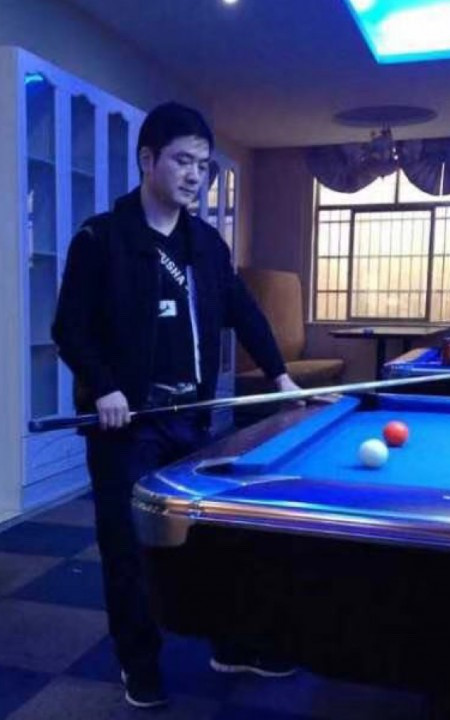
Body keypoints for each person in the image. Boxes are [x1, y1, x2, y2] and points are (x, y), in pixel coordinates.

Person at [52, 101, 301, 709]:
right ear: (148, 160)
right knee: (128, 550)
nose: (195, 175)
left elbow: (243, 312)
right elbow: (69, 329)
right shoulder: (100, 239)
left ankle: (232, 643)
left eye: (202, 165)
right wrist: (104, 386)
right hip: (127, 427)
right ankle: (139, 664)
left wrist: (280, 374)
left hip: (192, 421)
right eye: (182, 161)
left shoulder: (206, 244)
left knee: (212, 539)